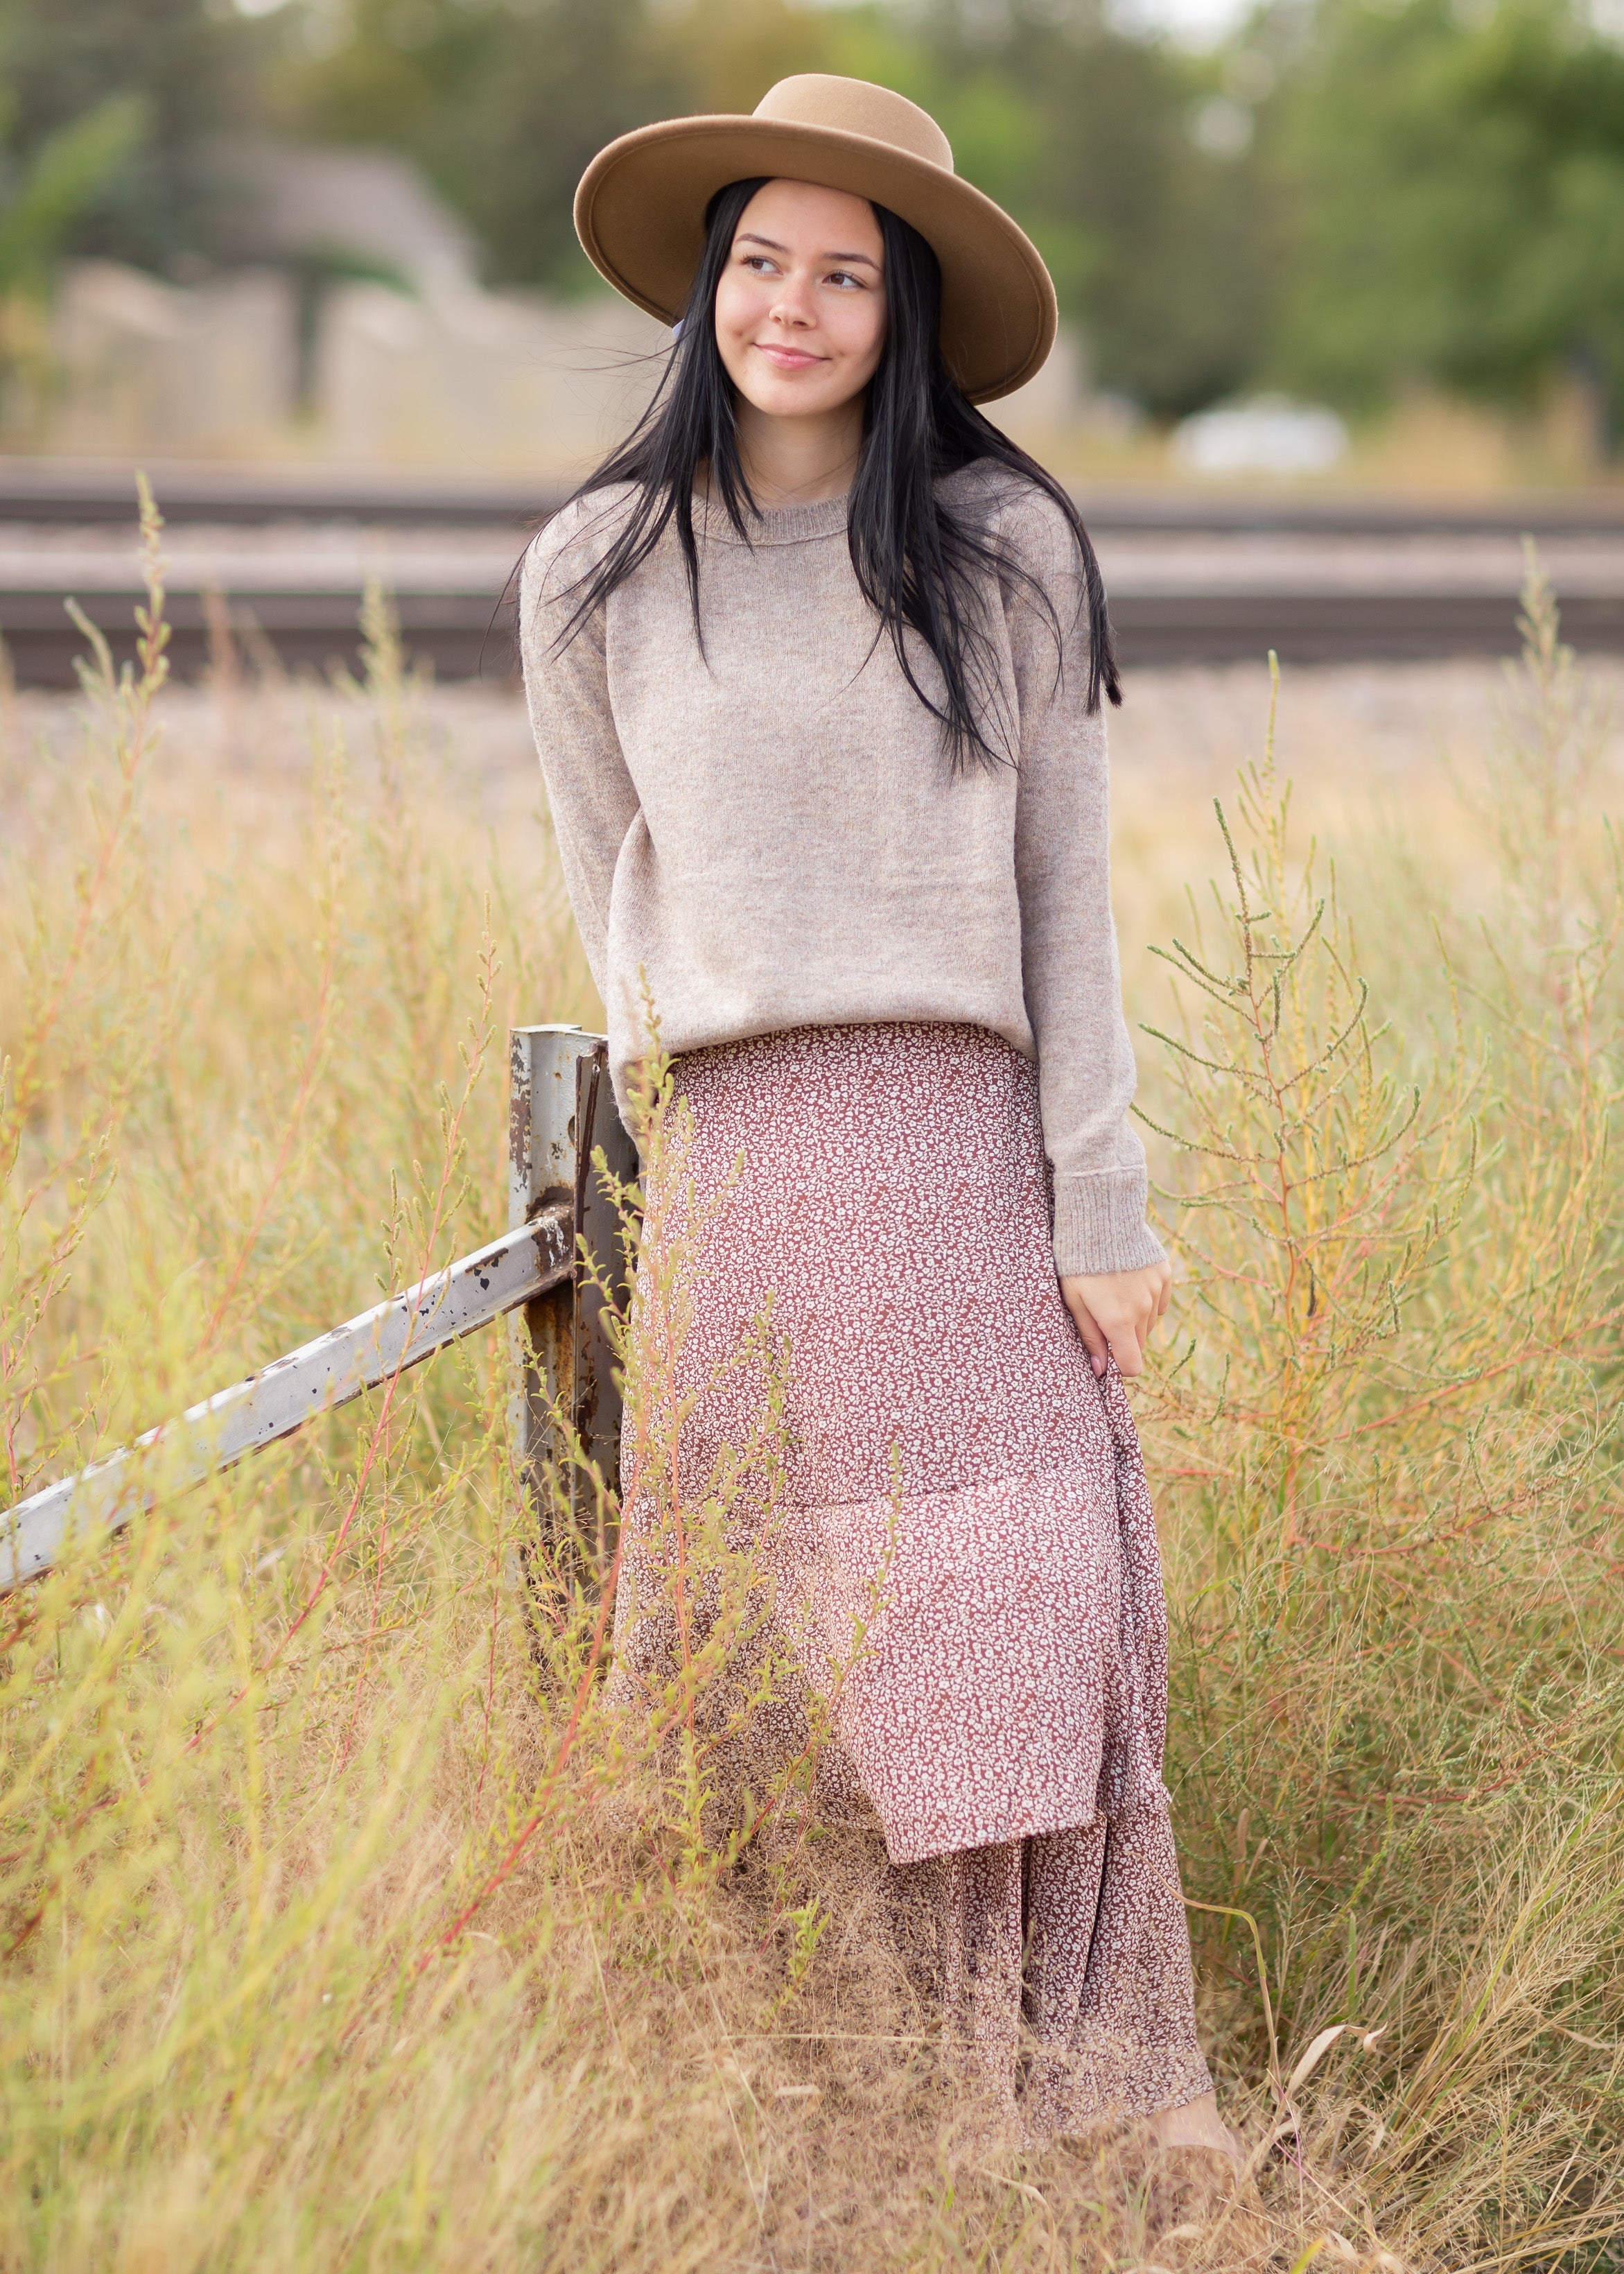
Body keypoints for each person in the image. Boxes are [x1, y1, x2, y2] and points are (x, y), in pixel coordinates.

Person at [521, 72, 1234, 2160]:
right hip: (747, 1163)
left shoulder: (1001, 549)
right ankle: (809, 2115)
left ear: (903, 309)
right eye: (761, 261)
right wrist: (694, 1054)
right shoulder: (594, 570)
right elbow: (610, 890)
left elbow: (1067, 901)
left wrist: (1100, 1201)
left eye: (845, 274)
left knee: (1004, 1615)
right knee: (763, 1657)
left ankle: (1029, 2115)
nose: (793, 307)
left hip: (962, 1152)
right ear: (708, 287)